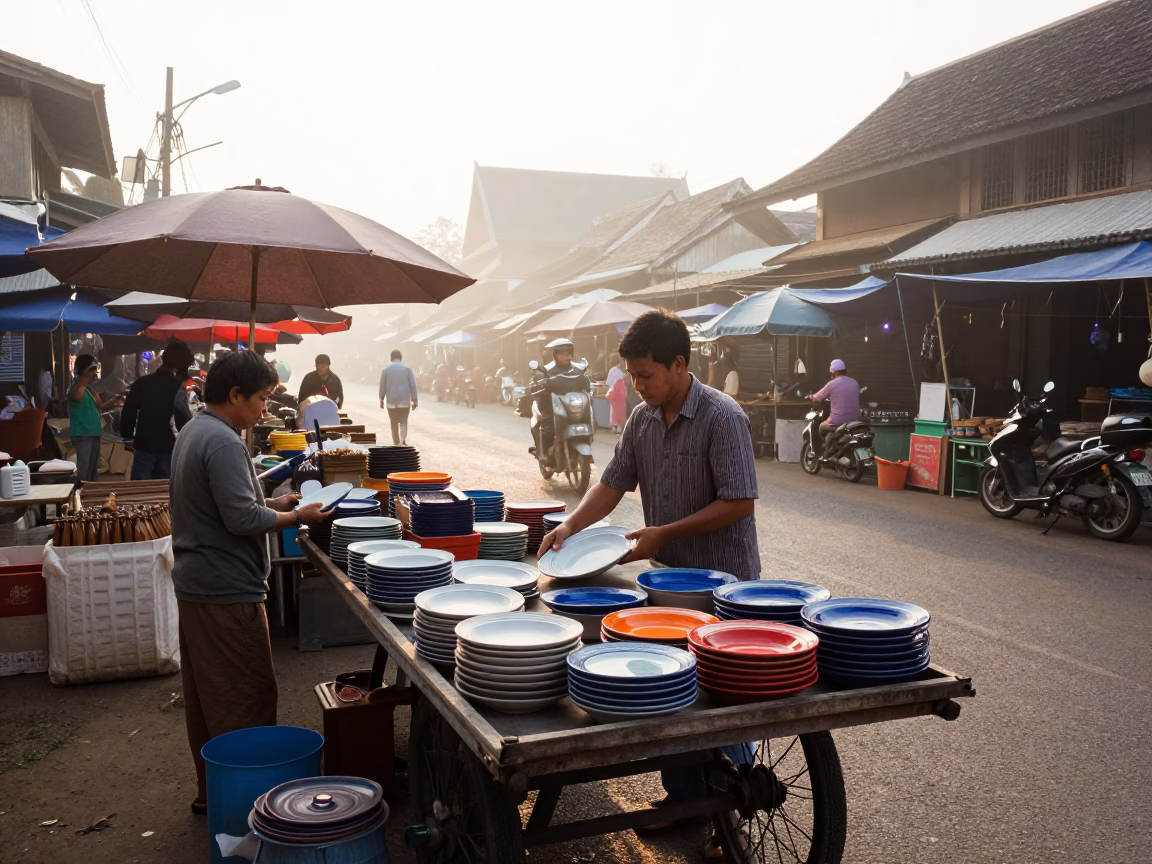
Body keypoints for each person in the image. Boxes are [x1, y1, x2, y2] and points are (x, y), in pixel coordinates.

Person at [537, 311, 758, 846]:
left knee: (722, 700)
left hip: (722, 586)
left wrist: (666, 532)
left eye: (646, 376)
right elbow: (613, 483)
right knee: (672, 691)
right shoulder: (641, 419)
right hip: (664, 584)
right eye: (632, 376)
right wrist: (568, 524)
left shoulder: (722, 418)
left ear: (679, 365)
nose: (637, 386)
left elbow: (739, 502)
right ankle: (686, 799)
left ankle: (733, 805)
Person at [170, 351, 326, 815]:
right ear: (234, 395)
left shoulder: (196, 430)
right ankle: (249, 807)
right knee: (245, 696)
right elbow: (240, 517)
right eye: (259, 398)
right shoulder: (220, 441)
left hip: (199, 587)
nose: (264, 409)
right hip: (226, 592)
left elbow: (229, 498)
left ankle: (213, 793)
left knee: (208, 699)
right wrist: (298, 515)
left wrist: (271, 494)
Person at [120, 342, 195, 480]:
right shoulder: (177, 386)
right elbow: (182, 418)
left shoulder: (141, 383)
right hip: (167, 445)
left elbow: (128, 412)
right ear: (180, 365)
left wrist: (127, 436)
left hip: (143, 444)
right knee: (163, 489)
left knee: (141, 490)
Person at [533, 338, 590, 464]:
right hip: (552, 403)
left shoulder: (578, 368)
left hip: (571, 403)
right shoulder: (547, 370)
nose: (565, 356)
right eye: (561, 353)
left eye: (567, 353)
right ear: (554, 355)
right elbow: (536, 381)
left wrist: (589, 384)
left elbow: (585, 381)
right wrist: (541, 386)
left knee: (586, 415)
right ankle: (545, 453)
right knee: (547, 422)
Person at [68, 354, 123, 482]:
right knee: (83, 469)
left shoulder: (90, 389)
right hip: (82, 433)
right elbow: (77, 397)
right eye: (93, 370)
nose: (95, 374)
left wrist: (116, 400)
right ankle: (79, 494)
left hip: (94, 432)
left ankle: (89, 493)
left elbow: (101, 407)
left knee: (93, 469)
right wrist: (84, 377)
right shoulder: (76, 387)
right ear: (85, 370)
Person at [808, 359, 861, 451]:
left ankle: (826, 450)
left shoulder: (832, 384)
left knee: (821, 427)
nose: (831, 376)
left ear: (835, 373)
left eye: (832, 373)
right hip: (855, 421)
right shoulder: (854, 383)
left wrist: (810, 397)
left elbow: (818, 397)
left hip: (838, 421)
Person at [378, 349, 418, 444]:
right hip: (404, 402)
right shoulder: (407, 369)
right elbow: (413, 385)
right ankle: (403, 440)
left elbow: (382, 386)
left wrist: (381, 399)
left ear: (391, 358)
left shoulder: (386, 370)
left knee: (394, 423)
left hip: (391, 403)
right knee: (403, 422)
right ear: (401, 358)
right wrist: (414, 400)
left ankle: (396, 442)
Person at [605, 354, 627, 432]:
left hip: (621, 394)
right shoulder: (615, 370)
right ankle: (616, 426)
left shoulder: (625, 370)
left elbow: (609, 383)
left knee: (618, 410)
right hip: (617, 393)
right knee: (617, 410)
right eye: (622, 360)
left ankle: (617, 425)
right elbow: (610, 383)